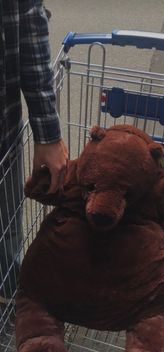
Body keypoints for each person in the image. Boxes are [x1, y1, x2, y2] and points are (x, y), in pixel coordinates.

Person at [0, 0, 68, 314]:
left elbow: (27, 18)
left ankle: (9, 291)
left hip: (3, 133)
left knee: (8, 230)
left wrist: (48, 133)